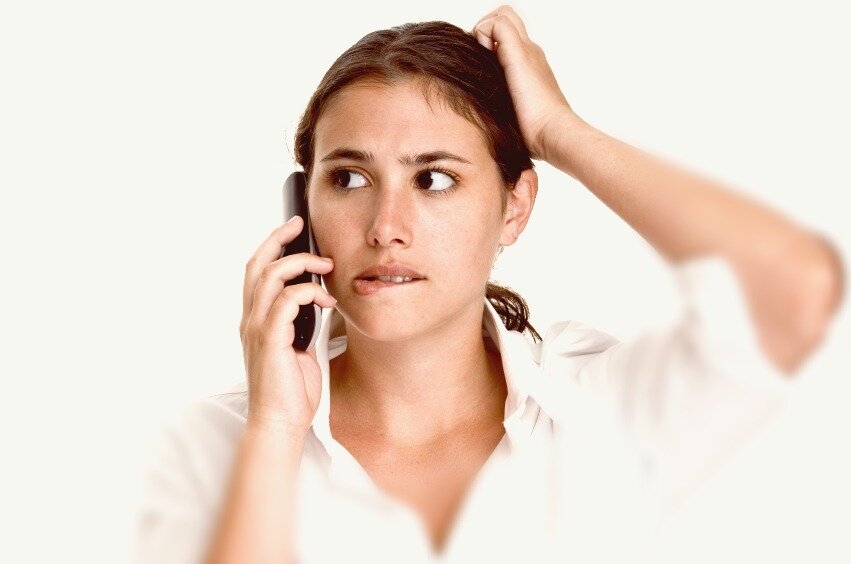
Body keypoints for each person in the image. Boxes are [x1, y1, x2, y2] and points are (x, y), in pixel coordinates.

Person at [134, 7, 844, 564]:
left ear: (515, 206)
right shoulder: (213, 444)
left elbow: (796, 285)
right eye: (348, 178)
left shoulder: (602, 411)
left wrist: (559, 131)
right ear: (302, 207)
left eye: (434, 179)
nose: (386, 227)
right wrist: (275, 433)